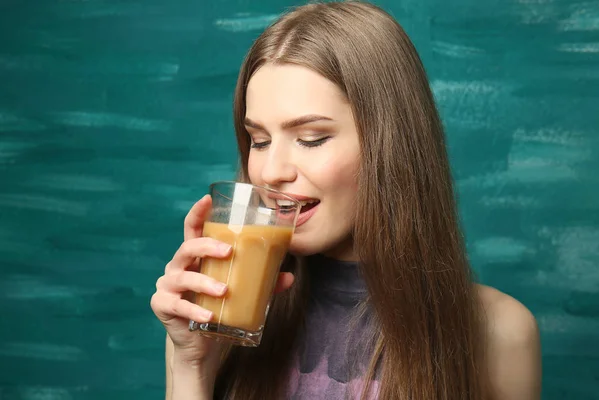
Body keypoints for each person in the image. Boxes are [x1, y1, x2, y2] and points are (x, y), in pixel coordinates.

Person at [150, 2, 542, 399]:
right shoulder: (213, 318)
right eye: (260, 141)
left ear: (390, 145)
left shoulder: (498, 332)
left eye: (311, 138)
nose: (271, 172)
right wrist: (191, 366)